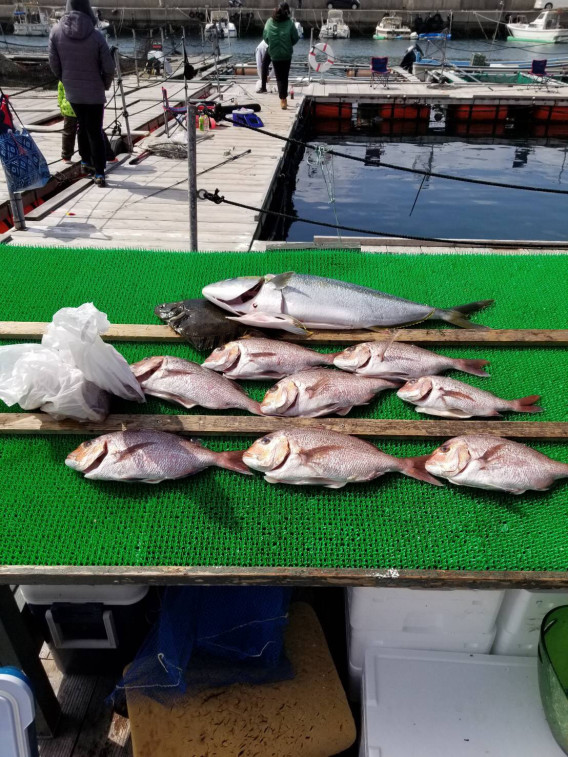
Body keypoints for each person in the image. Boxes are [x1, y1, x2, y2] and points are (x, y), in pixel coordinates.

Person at [49, 0, 114, 187]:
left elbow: (54, 64)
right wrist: (104, 84)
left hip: (73, 91)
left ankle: (85, 161)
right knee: (95, 130)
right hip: (94, 91)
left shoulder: (55, 32)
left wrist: (65, 79)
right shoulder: (96, 36)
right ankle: (100, 173)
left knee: (81, 125)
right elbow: (108, 66)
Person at [263, 2, 299, 110]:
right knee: (285, 76)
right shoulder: (289, 23)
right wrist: (289, 44)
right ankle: (284, 98)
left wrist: (272, 45)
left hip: (274, 54)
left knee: (279, 77)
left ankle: (282, 99)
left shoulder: (269, 22)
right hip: (286, 54)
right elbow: (295, 37)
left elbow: (265, 37)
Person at [58, 81, 76, 163]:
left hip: (68, 108)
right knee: (88, 131)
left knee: (68, 133)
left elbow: (60, 95)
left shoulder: (64, 75)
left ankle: (66, 157)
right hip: (84, 106)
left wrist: (62, 109)